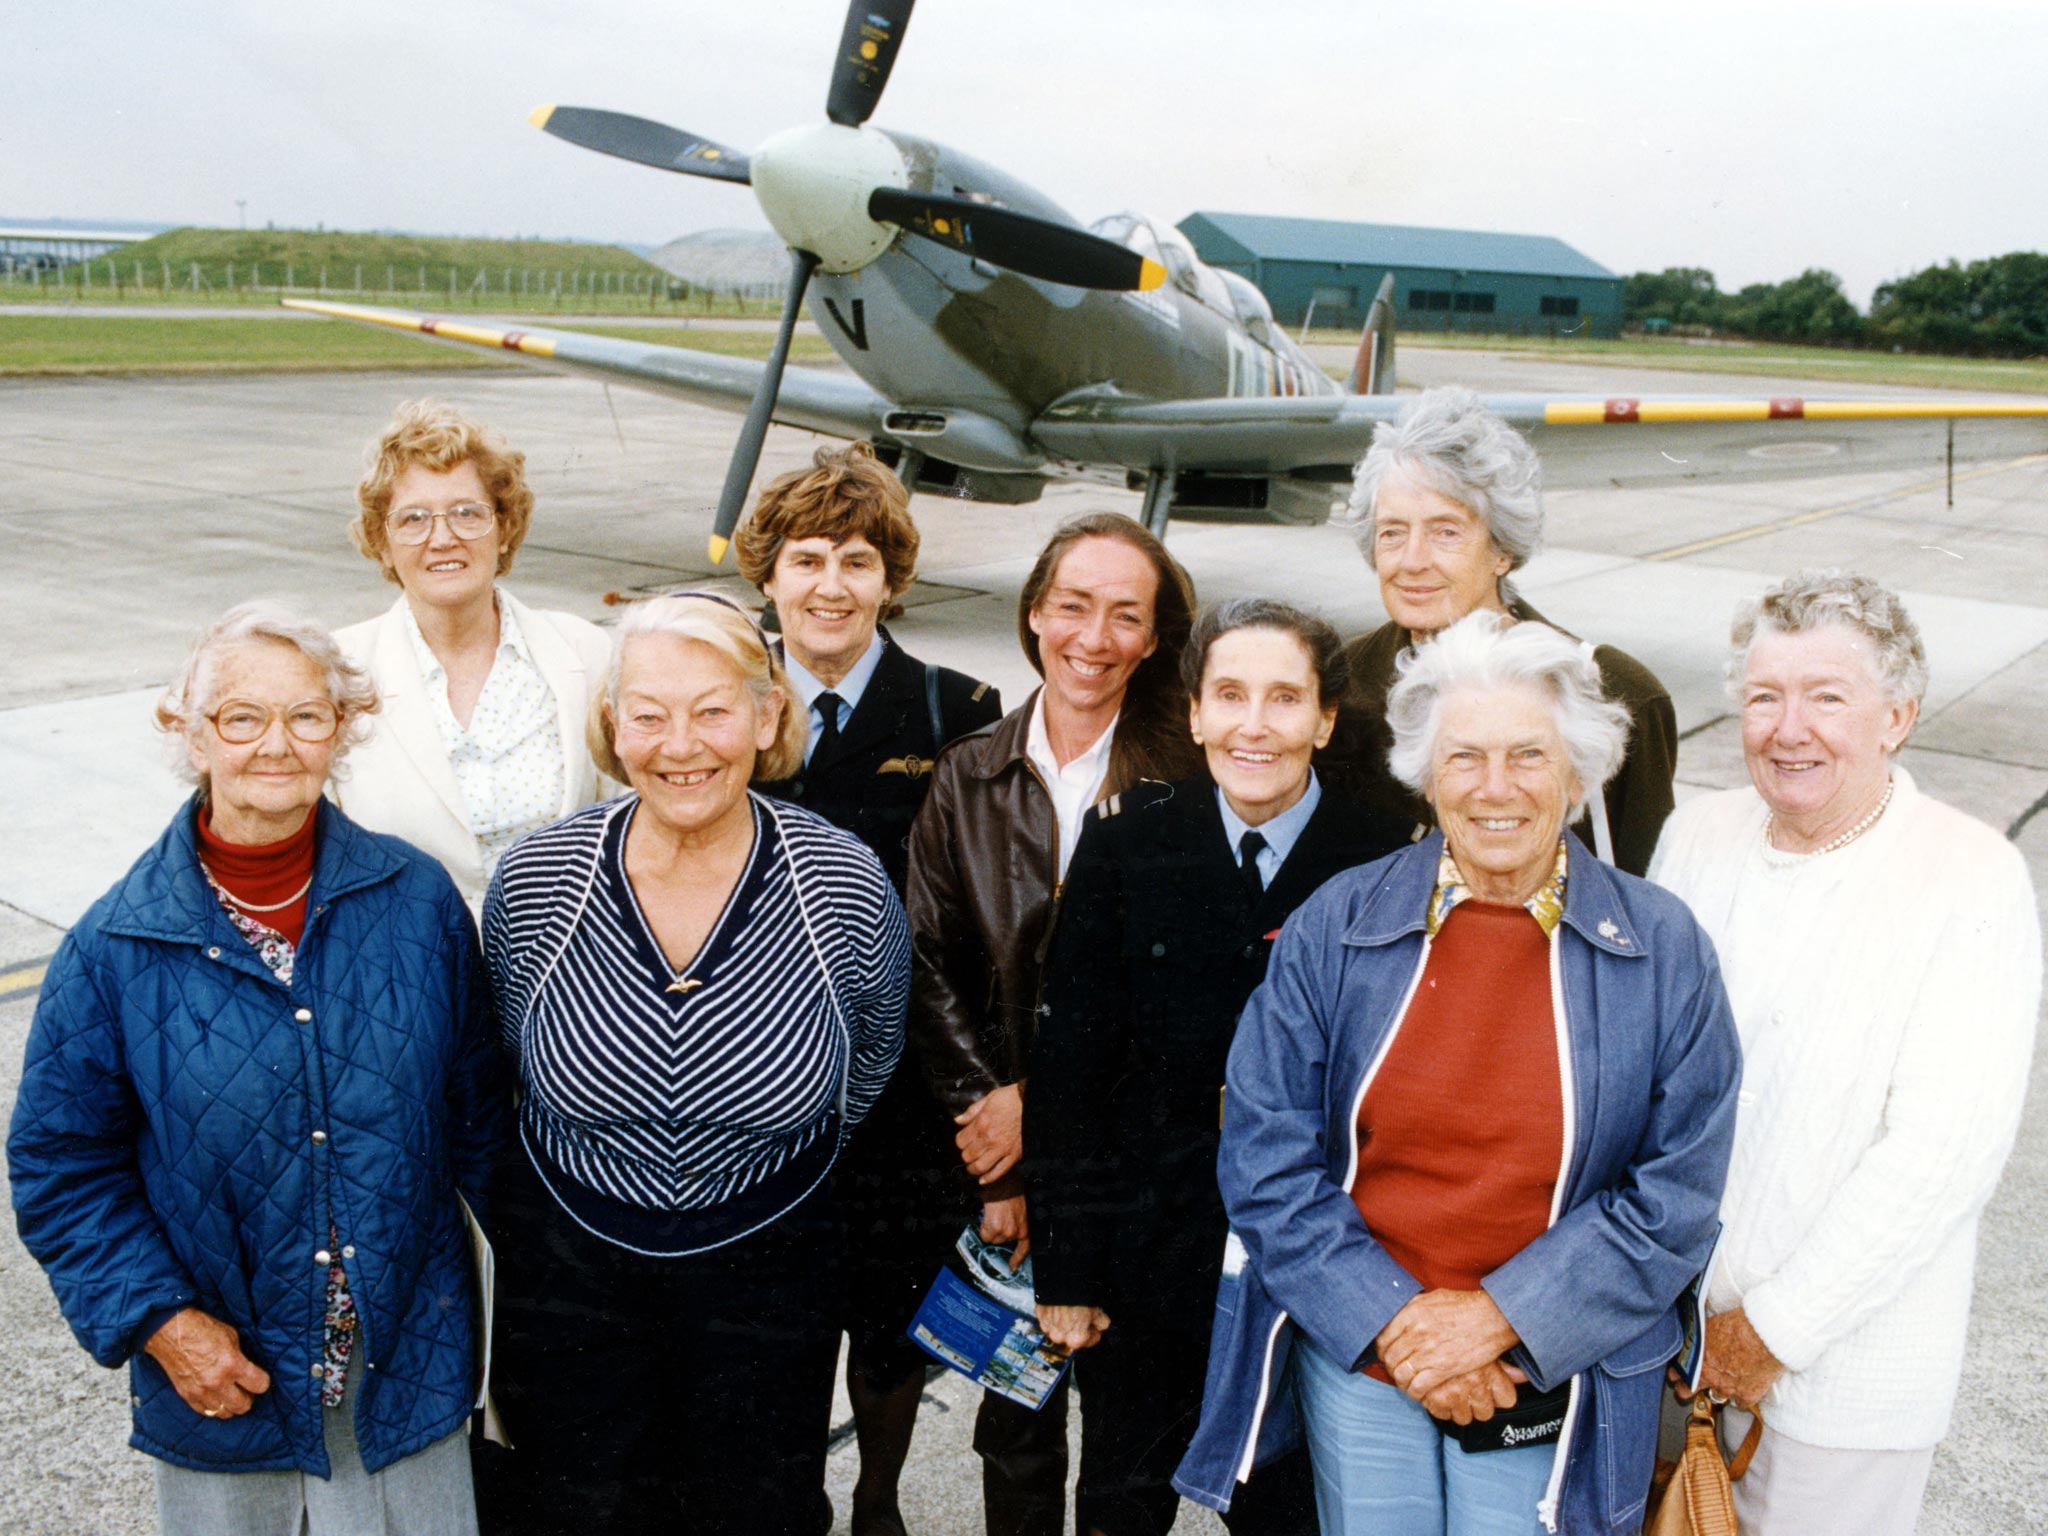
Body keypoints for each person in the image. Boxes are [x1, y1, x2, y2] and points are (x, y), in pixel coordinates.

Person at [1176, 611, 1740, 1536]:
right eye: (1464, 758)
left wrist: (1495, 1320)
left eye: (1528, 756)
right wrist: (1399, 1325)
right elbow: (1266, 1152)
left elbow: (1675, 1196)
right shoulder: (1339, 922)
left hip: (1550, 1368)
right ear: (1426, 774)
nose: (1496, 789)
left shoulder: (1663, 945)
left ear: (1578, 769)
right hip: (1363, 1355)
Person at [8, 601, 504, 1536]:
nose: (275, 744)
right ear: (191, 734)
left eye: (307, 716)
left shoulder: (419, 904)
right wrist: (159, 1322)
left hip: (405, 1371)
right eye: (241, 718)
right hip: (224, 1384)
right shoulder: (111, 946)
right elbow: (59, 1167)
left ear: (342, 731)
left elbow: (488, 1133)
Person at [480, 593, 910, 1536]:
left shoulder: (841, 881)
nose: (682, 745)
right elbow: (511, 1058)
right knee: (579, 1511)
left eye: (714, 710)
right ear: (612, 726)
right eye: (648, 714)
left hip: (769, 1273)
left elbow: (869, 1062)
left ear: (766, 718)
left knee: (760, 1513)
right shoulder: (538, 879)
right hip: (575, 1279)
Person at [1649, 571, 2041, 1536]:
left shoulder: (1971, 875)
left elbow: (1943, 1153)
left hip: (1847, 1380)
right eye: (1765, 696)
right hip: (1665, 1345)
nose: (1790, 728)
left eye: (1828, 697)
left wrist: (1771, 1333)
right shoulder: (1697, 835)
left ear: (1897, 718)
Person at [1027, 597, 1409, 1536]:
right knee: (1120, 1498)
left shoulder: (1381, 861)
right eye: (1229, 695)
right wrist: (1067, 1272)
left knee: (1287, 1511)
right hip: (1144, 1259)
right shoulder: (1128, 844)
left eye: (1285, 699)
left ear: (1324, 721)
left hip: (1307, 1267)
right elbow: (1072, 1064)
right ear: (1193, 711)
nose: (1254, 725)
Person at [907, 511, 1201, 1536]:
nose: (1094, 636)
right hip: (996, 1172)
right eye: (1072, 605)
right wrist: (1002, 1157)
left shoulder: (1191, 781)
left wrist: (1051, 1111)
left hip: (1131, 1171)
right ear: (1033, 611)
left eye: (1127, 615)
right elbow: (927, 965)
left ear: (1157, 640)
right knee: (1013, 1433)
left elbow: (1187, 995)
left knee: (1129, 1449)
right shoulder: (966, 773)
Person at [736, 441, 1002, 1536]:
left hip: (905, 1080)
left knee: (892, 1319)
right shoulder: (728, 710)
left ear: (890, 577)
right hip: (755, 1076)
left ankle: (878, 1501)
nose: (830, 586)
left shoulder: (954, 710)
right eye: (806, 560)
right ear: (769, 576)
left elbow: (987, 910)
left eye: (855, 560)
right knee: (778, 1320)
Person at [1319, 386, 1677, 875]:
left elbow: (1645, 891)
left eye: (1446, 531)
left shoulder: (1616, 692)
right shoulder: (1340, 686)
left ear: (1502, 550)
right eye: (1392, 532)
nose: (1412, 561)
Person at [334, 399, 613, 913]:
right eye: (413, 519)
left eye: (468, 513)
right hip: (406, 970)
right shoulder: (337, 671)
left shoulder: (586, 653)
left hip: (564, 966)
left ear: (505, 528)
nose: (443, 538)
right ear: (383, 541)